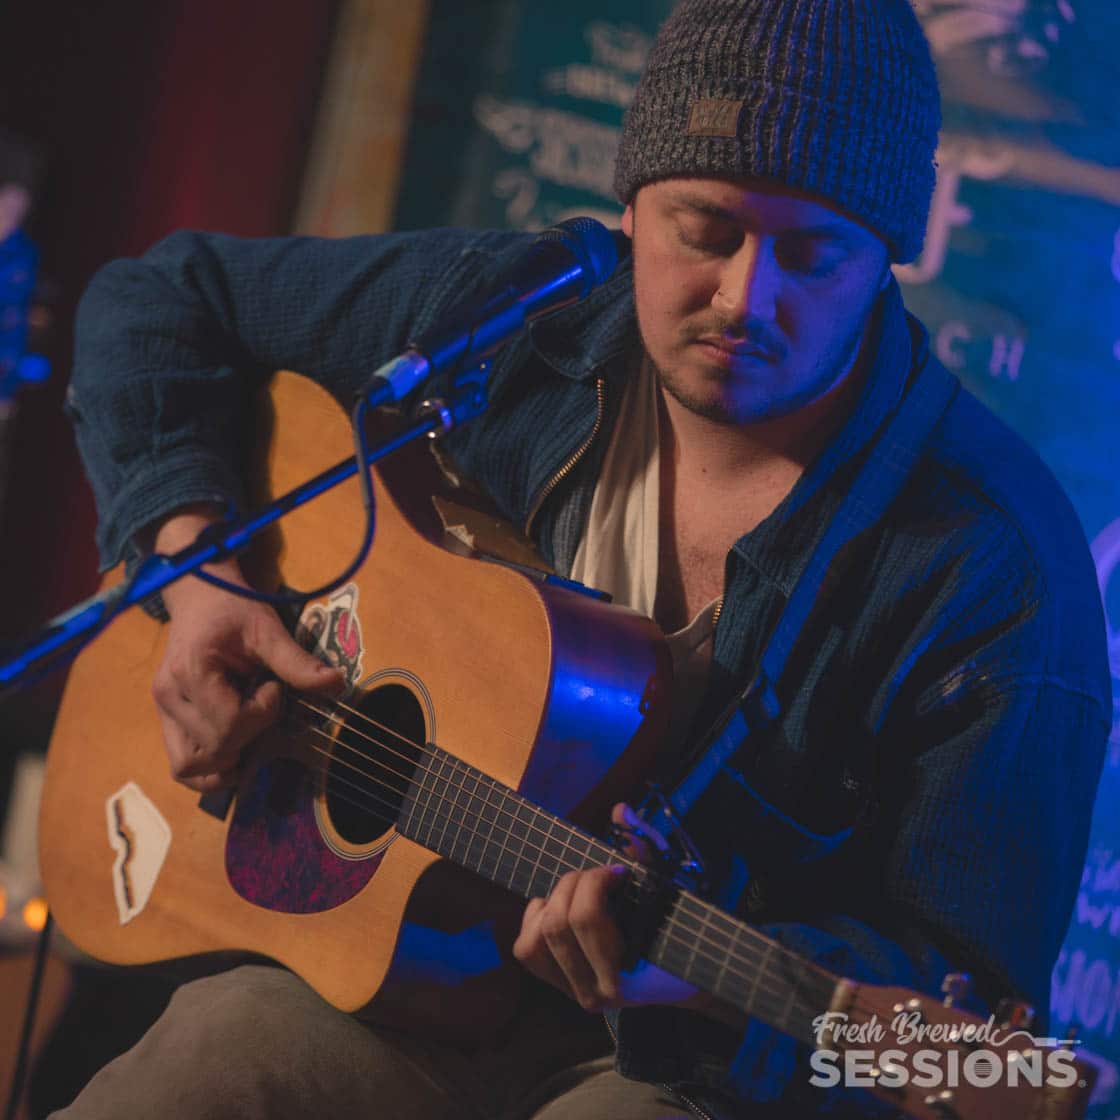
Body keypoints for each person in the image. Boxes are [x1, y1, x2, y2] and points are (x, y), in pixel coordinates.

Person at [53, 0, 1110, 1116]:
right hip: (404, 975)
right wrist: (198, 577)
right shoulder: (520, 319)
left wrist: (693, 984)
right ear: (632, 205)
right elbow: (158, 301)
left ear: (886, 261)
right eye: (705, 230)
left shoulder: (995, 570)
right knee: (199, 1069)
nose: (746, 298)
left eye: (814, 254)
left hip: (695, 1070)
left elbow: (967, 986)